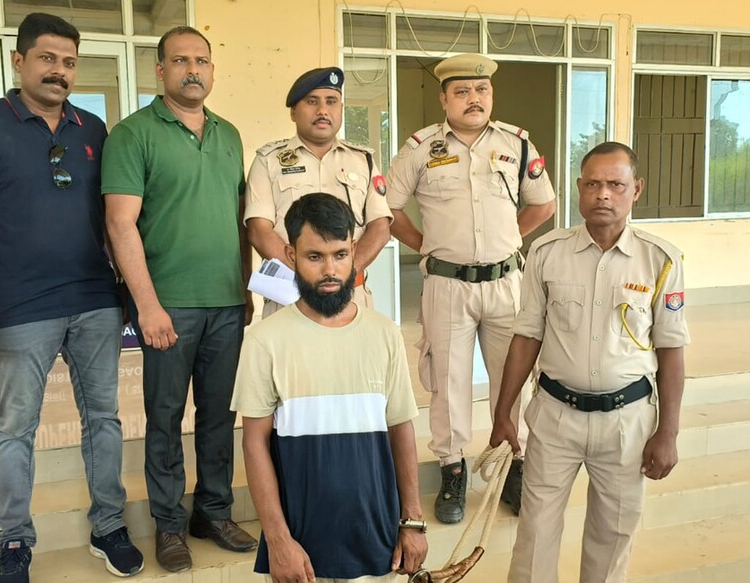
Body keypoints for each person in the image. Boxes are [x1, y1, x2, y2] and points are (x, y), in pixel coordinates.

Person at [0, 12, 143, 583]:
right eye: (48, 59)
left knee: (103, 418)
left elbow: (113, 221)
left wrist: (128, 290)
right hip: (21, 309)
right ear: (19, 61)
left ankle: (109, 526)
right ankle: (13, 542)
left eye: (70, 62)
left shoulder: (93, 128)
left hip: (96, 302)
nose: (60, 71)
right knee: (15, 430)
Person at [490, 142, 689, 583]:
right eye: (593, 184)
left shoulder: (661, 260)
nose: (603, 194)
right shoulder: (546, 253)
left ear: (635, 189)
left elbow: (671, 349)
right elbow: (527, 336)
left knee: (613, 533)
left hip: (627, 422)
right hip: (556, 417)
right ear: (579, 188)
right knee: (536, 531)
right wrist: (503, 412)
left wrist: (668, 431)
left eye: (615, 185)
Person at [102, 25, 257, 573]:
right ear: (160, 71)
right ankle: (169, 524)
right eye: (181, 60)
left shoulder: (230, 134)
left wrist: (243, 288)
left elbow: (240, 223)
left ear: (212, 71)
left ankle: (212, 511)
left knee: (220, 414)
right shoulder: (132, 133)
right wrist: (147, 305)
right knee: (165, 417)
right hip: (168, 306)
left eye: (203, 61)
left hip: (225, 304)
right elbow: (120, 225)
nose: (194, 70)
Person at [385, 53, 556, 524]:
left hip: (506, 284)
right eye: (462, 91)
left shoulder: (516, 144)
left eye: (481, 91)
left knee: (513, 378)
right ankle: (452, 469)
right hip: (447, 285)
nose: (473, 99)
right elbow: (389, 209)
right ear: (443, 99)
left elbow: (544, 204)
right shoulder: (420, 148)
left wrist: (509, 239)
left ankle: (510, 464)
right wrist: (426, 246)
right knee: (449, 382)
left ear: (491, 96)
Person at [233, 192, 428, 583]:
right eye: (314, 257)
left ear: (354, 250)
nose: (330, 270)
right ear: (290, 256)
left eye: (340, 254)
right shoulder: (264, 340)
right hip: (302, 547)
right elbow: (254, 443)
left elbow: (401, 429)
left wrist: (413, 521)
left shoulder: (384, 334)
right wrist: (279, 541)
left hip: (377, 539)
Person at [245, 67, 392, 317]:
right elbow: (260, 231)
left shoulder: (363, 160)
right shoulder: (268, 161)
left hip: (351, 296)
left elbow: (380, 227)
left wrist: (343, 273)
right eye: (312, 101)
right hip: (290, 295)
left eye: (331, 102)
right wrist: (309, 275)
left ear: (341, 109)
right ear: (294, 111)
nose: (323, 111)